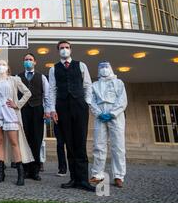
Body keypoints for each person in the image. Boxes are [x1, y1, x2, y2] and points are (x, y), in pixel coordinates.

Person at [49, 40, 95, 192]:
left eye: (66, 48)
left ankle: (83, 179)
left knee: (80, 141)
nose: (64, 50)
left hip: (79, 106)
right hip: (62, 107)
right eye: (61, 48)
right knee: (68, 142)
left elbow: (88, 85)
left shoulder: (81, 65)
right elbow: (52, 90)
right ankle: (73, 178)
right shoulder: (53, 69)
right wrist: (52, 110)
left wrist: (86, 102)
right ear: (58, 51)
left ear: (71, 50)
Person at [0, 60, 33, 186]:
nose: (1, 65)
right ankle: (1, 172)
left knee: (14, 142)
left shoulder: (14, 80)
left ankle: (20, 173)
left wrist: (17, 104)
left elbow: (27, 93)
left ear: (8, 67)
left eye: (4, 64)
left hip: (10, 112)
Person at [90, 61, 128, 188]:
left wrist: (112, 113)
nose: (104, 69)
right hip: (100, 115)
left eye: (106, 67)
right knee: (99, 145)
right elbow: (92, 101)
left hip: (116, 116)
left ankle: (118, 176)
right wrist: (98, 113)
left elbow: (122, 100)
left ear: (110, 68)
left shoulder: (118, 83)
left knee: (118, 146)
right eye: (101, 67)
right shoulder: (94, 85)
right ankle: (97, 174)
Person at [18, 53, 51, 181]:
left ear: (35, 62)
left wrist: (47, 110)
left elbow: (47, 95)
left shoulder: (41, 77)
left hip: (38, 109)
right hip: (23, 110)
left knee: (37, 141)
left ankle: (35, 170)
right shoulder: (18, 77)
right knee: (25, 140)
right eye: (26, 59)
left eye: (30, 60)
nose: (28, 61)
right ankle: (25, 170)